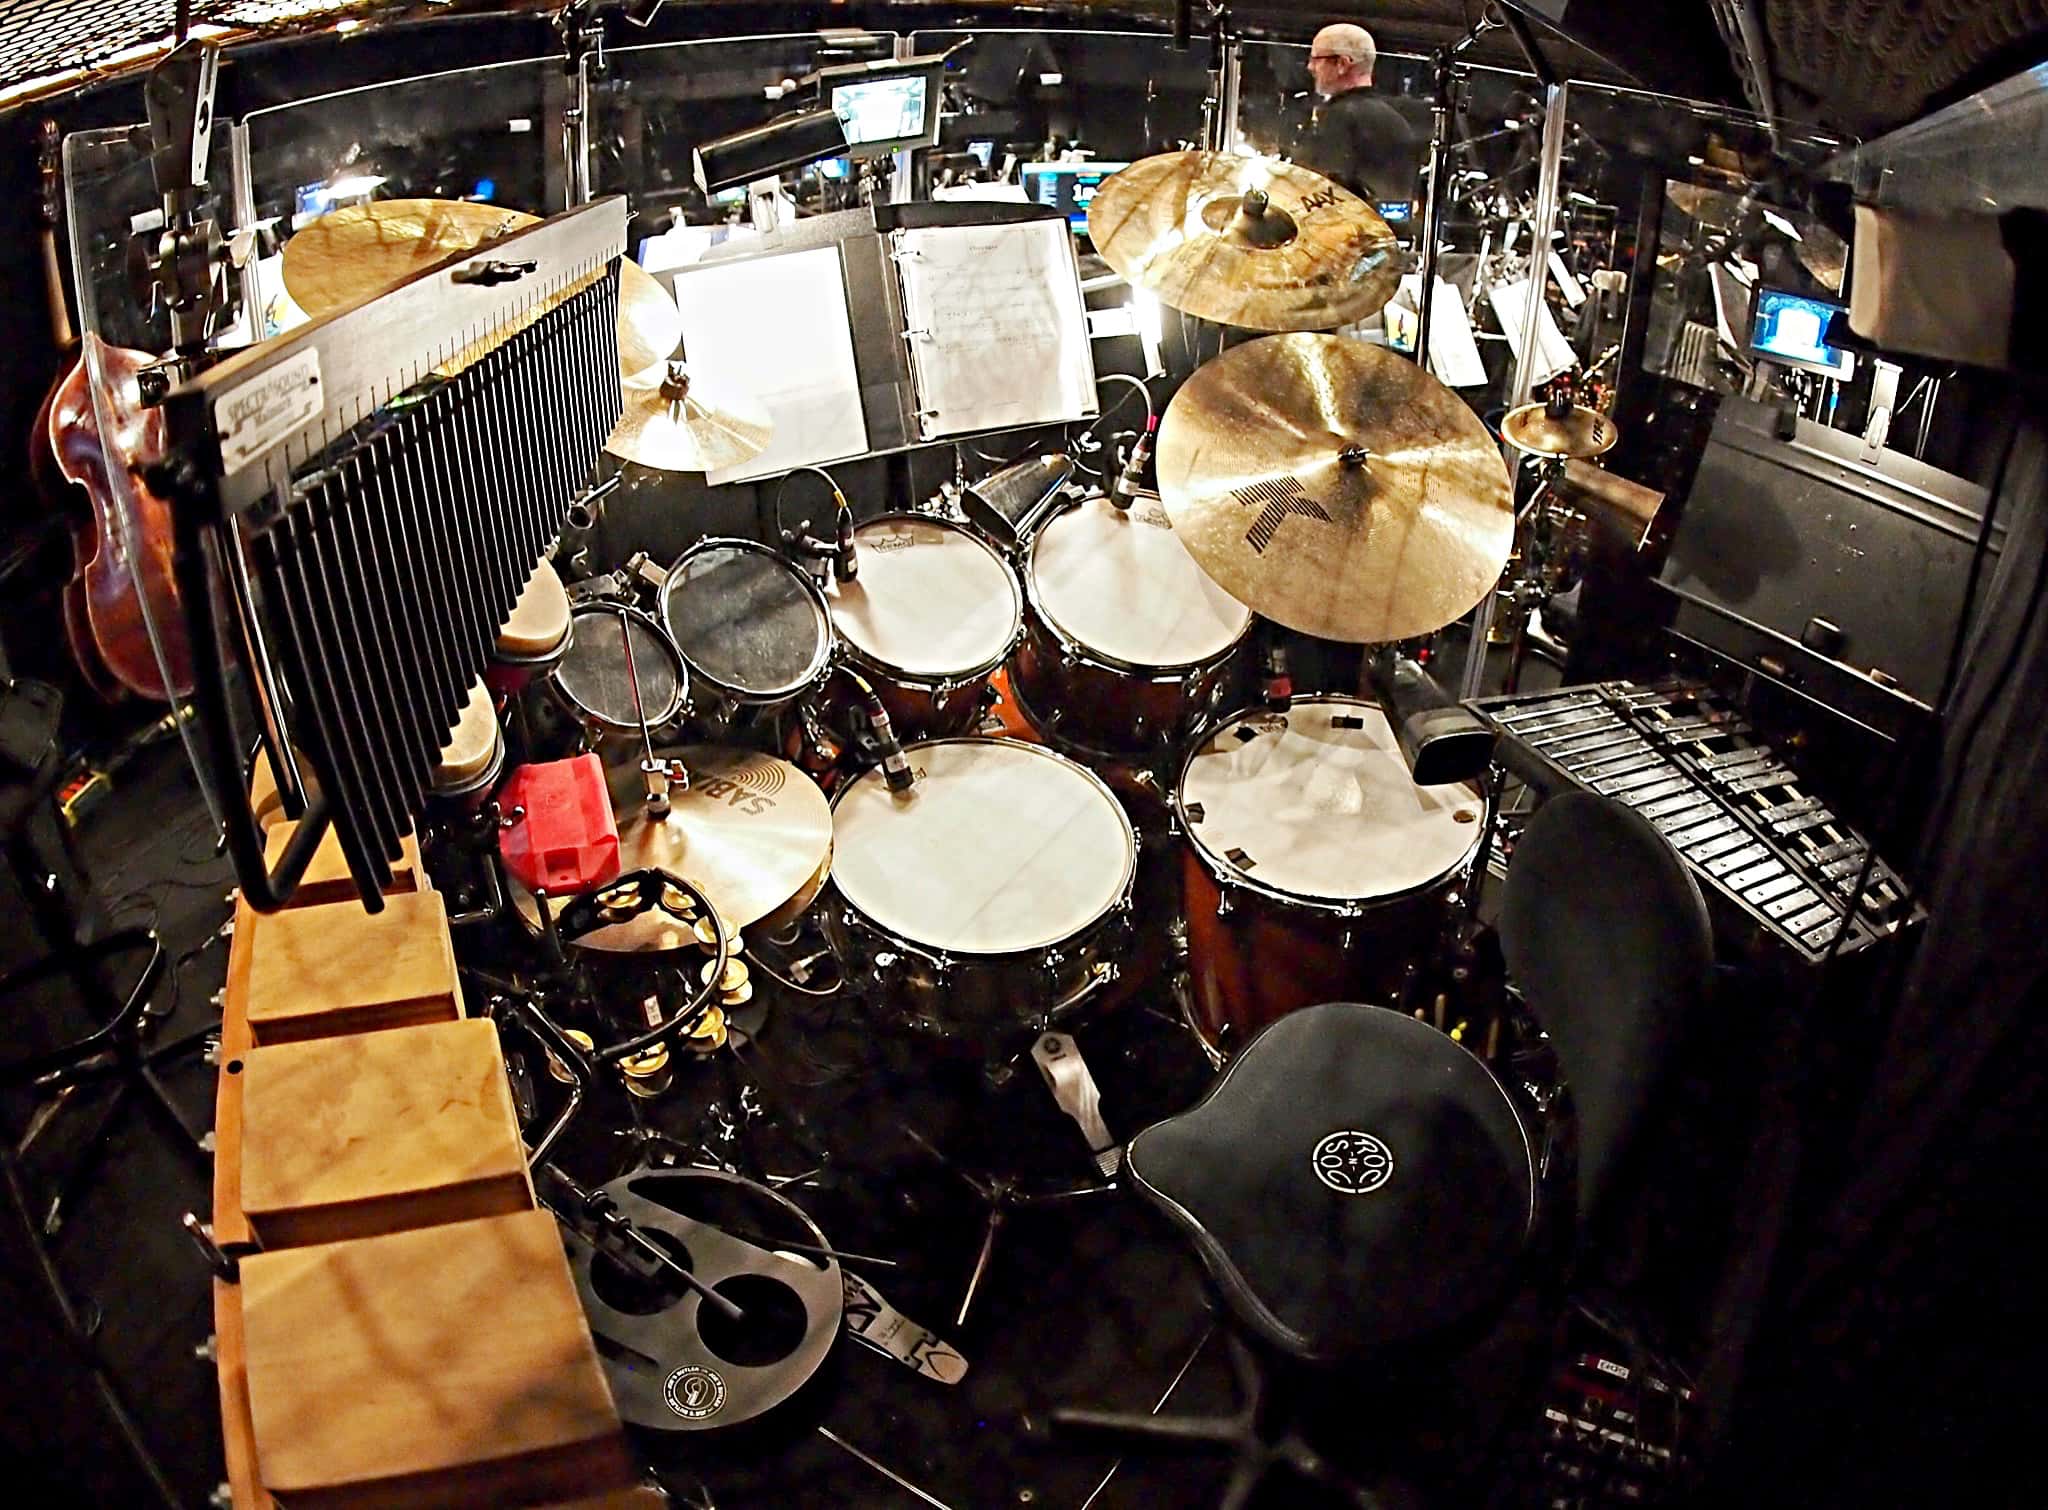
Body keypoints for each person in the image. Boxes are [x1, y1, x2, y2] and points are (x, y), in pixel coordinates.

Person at [1297, 24, 1421, 205]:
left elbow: (1318, 194)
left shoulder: (1338, 117)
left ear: (1342, 64)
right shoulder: (1396, 119)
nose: (1310, 67)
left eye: (1316, 59)